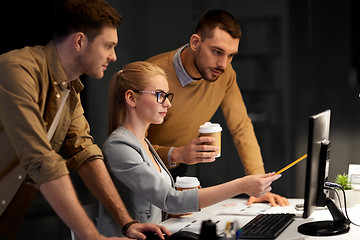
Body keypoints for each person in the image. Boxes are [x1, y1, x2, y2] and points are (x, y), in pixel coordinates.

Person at [0, 1, 169, 239]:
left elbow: (85, 153)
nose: (113, 56)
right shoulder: (17, 70)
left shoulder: (70, 90)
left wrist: (127, 223)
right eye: (108, 46)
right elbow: (40, 159)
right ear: (79, 41)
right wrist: (93, 237)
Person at [97, 61, 281, 236]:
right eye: (160, 95)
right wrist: (242, 185)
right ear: (131, 98)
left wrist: (176, 210)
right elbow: (170, 200)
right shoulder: (119, 146)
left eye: (168, 96)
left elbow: (156, 204)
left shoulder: (143, 143)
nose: (168, 103)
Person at [145, 9, 289, 207]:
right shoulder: (152, 74)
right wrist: (176, 153)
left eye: (231, 55)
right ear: (195, 43)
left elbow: (241, 126)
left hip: (180, 172)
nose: (223, 64)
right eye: (217, 52)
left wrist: (257, 183)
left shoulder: (225, 74)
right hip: (144, 173)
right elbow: (130, 146)